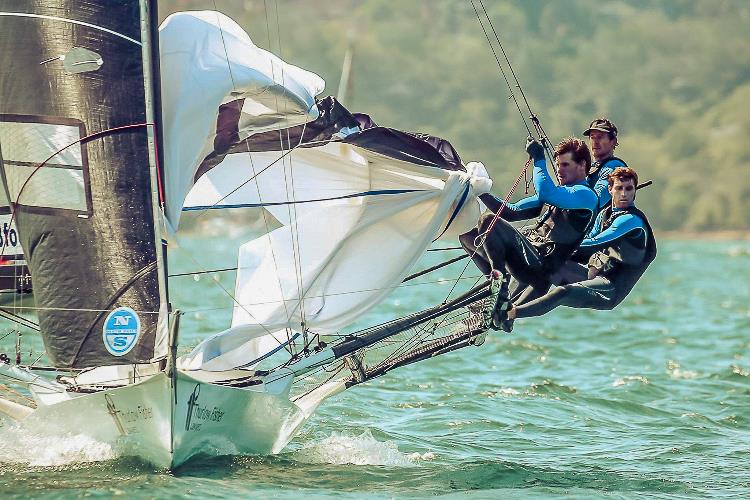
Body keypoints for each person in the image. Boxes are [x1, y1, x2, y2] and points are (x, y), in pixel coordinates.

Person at [459, 137, 598, 327]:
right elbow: (510, 212)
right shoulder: (560, 194)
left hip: (540, 267)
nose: (559, 170)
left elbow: (546, 193)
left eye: (565, 165)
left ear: (582, 165)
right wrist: (479, 190)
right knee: (467, 235)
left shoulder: (585, 195)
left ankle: (500, 292)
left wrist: (539, 159)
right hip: (525, 259)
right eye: (557, 165)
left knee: (488, 221)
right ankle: (496, 286)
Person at [499, 167, 657, 331]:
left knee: (561, 292)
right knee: (548, 266)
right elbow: (585, 239)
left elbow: (593, 243)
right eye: (619, 188)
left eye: (629, 189)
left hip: (609, 290)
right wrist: (547, 247)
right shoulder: (605, 215)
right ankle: (506, 306)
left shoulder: (631, 221)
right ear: (610, 189)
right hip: (591, 277)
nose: (624, 194)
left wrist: (552, 246)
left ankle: (510, 313)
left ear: (635, 191)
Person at [583, 117, 628, 210]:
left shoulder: (613, 167)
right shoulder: (590, 166)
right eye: (592, 137)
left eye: (600, 137)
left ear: (613, 141)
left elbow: (595, 202)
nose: (595, 142)